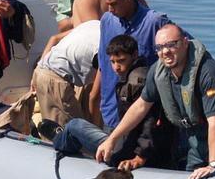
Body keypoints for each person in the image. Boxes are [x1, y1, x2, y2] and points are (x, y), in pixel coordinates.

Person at [97, 25, 215, 179]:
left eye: (171, 45)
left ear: (185, 43)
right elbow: (140, 106)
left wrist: (213, 164)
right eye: (160, 47)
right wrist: (112, 139)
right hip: (194, 139)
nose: (165, 51)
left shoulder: (208, 72)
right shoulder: (158, 71)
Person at [54, 35, 176, 170]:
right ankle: (62, 136)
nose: (116, 67)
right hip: (127, 141)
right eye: (112, 62)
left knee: (74, 125)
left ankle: (58, 139)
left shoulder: (136, 81)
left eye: (121, 61)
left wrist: (140, 156)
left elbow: (150, 121)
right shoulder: (137, 74)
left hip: (125, 150)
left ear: (134, 55)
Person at [96, 0, 173, 129]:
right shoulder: (107, 20)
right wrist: (96, 98)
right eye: (107, 5)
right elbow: (103, 63)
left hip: (144, 113)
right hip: (112, 111)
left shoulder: (154, 22)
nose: (110, 9)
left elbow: (184, 47)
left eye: (114, 4)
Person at [32, 19, 100, 132]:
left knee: (54, 133)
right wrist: (96, 132)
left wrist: (38, 67)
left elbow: (54, 38)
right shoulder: (105, 47)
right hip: (55, 80)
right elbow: (95, 97)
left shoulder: (93, 23)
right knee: (74, 136)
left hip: (43, 71)